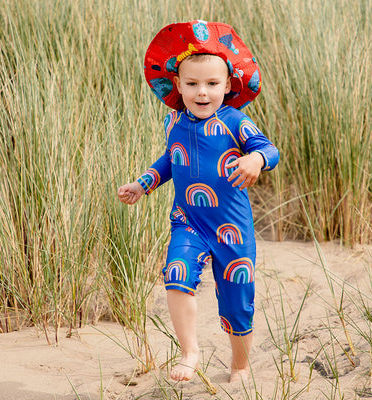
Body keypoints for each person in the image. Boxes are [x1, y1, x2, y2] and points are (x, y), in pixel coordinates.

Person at [117, 20, 279, 383]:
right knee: (176, 276)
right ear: (177, 84)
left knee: (238, 301)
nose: (202, 93)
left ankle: (240, 364)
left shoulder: (235, 121)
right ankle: (190, 351)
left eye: (212, 84)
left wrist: (255, 160)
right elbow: (170, 160)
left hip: (232, 227)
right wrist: (143, 184)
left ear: (228, 84)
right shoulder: (174, 121)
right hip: (188, 220)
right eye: (192, 84)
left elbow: (270, 149)